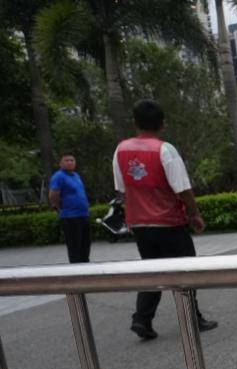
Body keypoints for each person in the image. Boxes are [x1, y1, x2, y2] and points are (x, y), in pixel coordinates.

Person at [113, 99, 217, 340]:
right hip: (168, 222)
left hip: (139, 223)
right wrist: (194, 214)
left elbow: (122, 188)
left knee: (152, 270)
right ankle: (192, 319)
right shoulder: (165, 150)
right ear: (163, 124)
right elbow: (183, 188)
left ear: (135, 122)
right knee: (184, 270)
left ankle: (142, 319)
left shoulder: (121, 150)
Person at [49, 152, 91, 263]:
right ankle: (76, 268)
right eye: (66, 160)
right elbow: (53, 194)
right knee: (74, 246)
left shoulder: (76, 175)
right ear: (60, 163)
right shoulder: (58, 176)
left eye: (72, 160)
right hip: (70, 216)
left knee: (85, 245)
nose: (70, 162)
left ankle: (86, 266)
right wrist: (58, 206)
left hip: (83, 215)